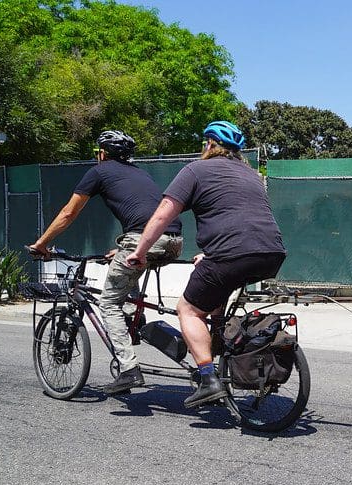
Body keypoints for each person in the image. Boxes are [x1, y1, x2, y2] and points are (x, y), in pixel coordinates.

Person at [125, 121, 287, 409]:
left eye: (204, 144)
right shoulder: (251, 175)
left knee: (187, 309)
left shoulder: (195, 170)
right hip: (271, 253)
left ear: (210, 146)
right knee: (216, 291)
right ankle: (219, 344)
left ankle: (209, 380)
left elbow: (163, 214)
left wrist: (140, 251)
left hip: (232, 254)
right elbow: (241, 217)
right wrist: (211, 254)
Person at [29, 130, 184, 394]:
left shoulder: (99, 171)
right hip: (173, 240)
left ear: (102, 153)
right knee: (128, 277)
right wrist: (122, 247)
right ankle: (135, 323)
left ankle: (128, 369)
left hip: (144, 240)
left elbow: (69, 213)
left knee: (108, 303)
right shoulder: (139, 173)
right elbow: (145, 212)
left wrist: (41, 244)